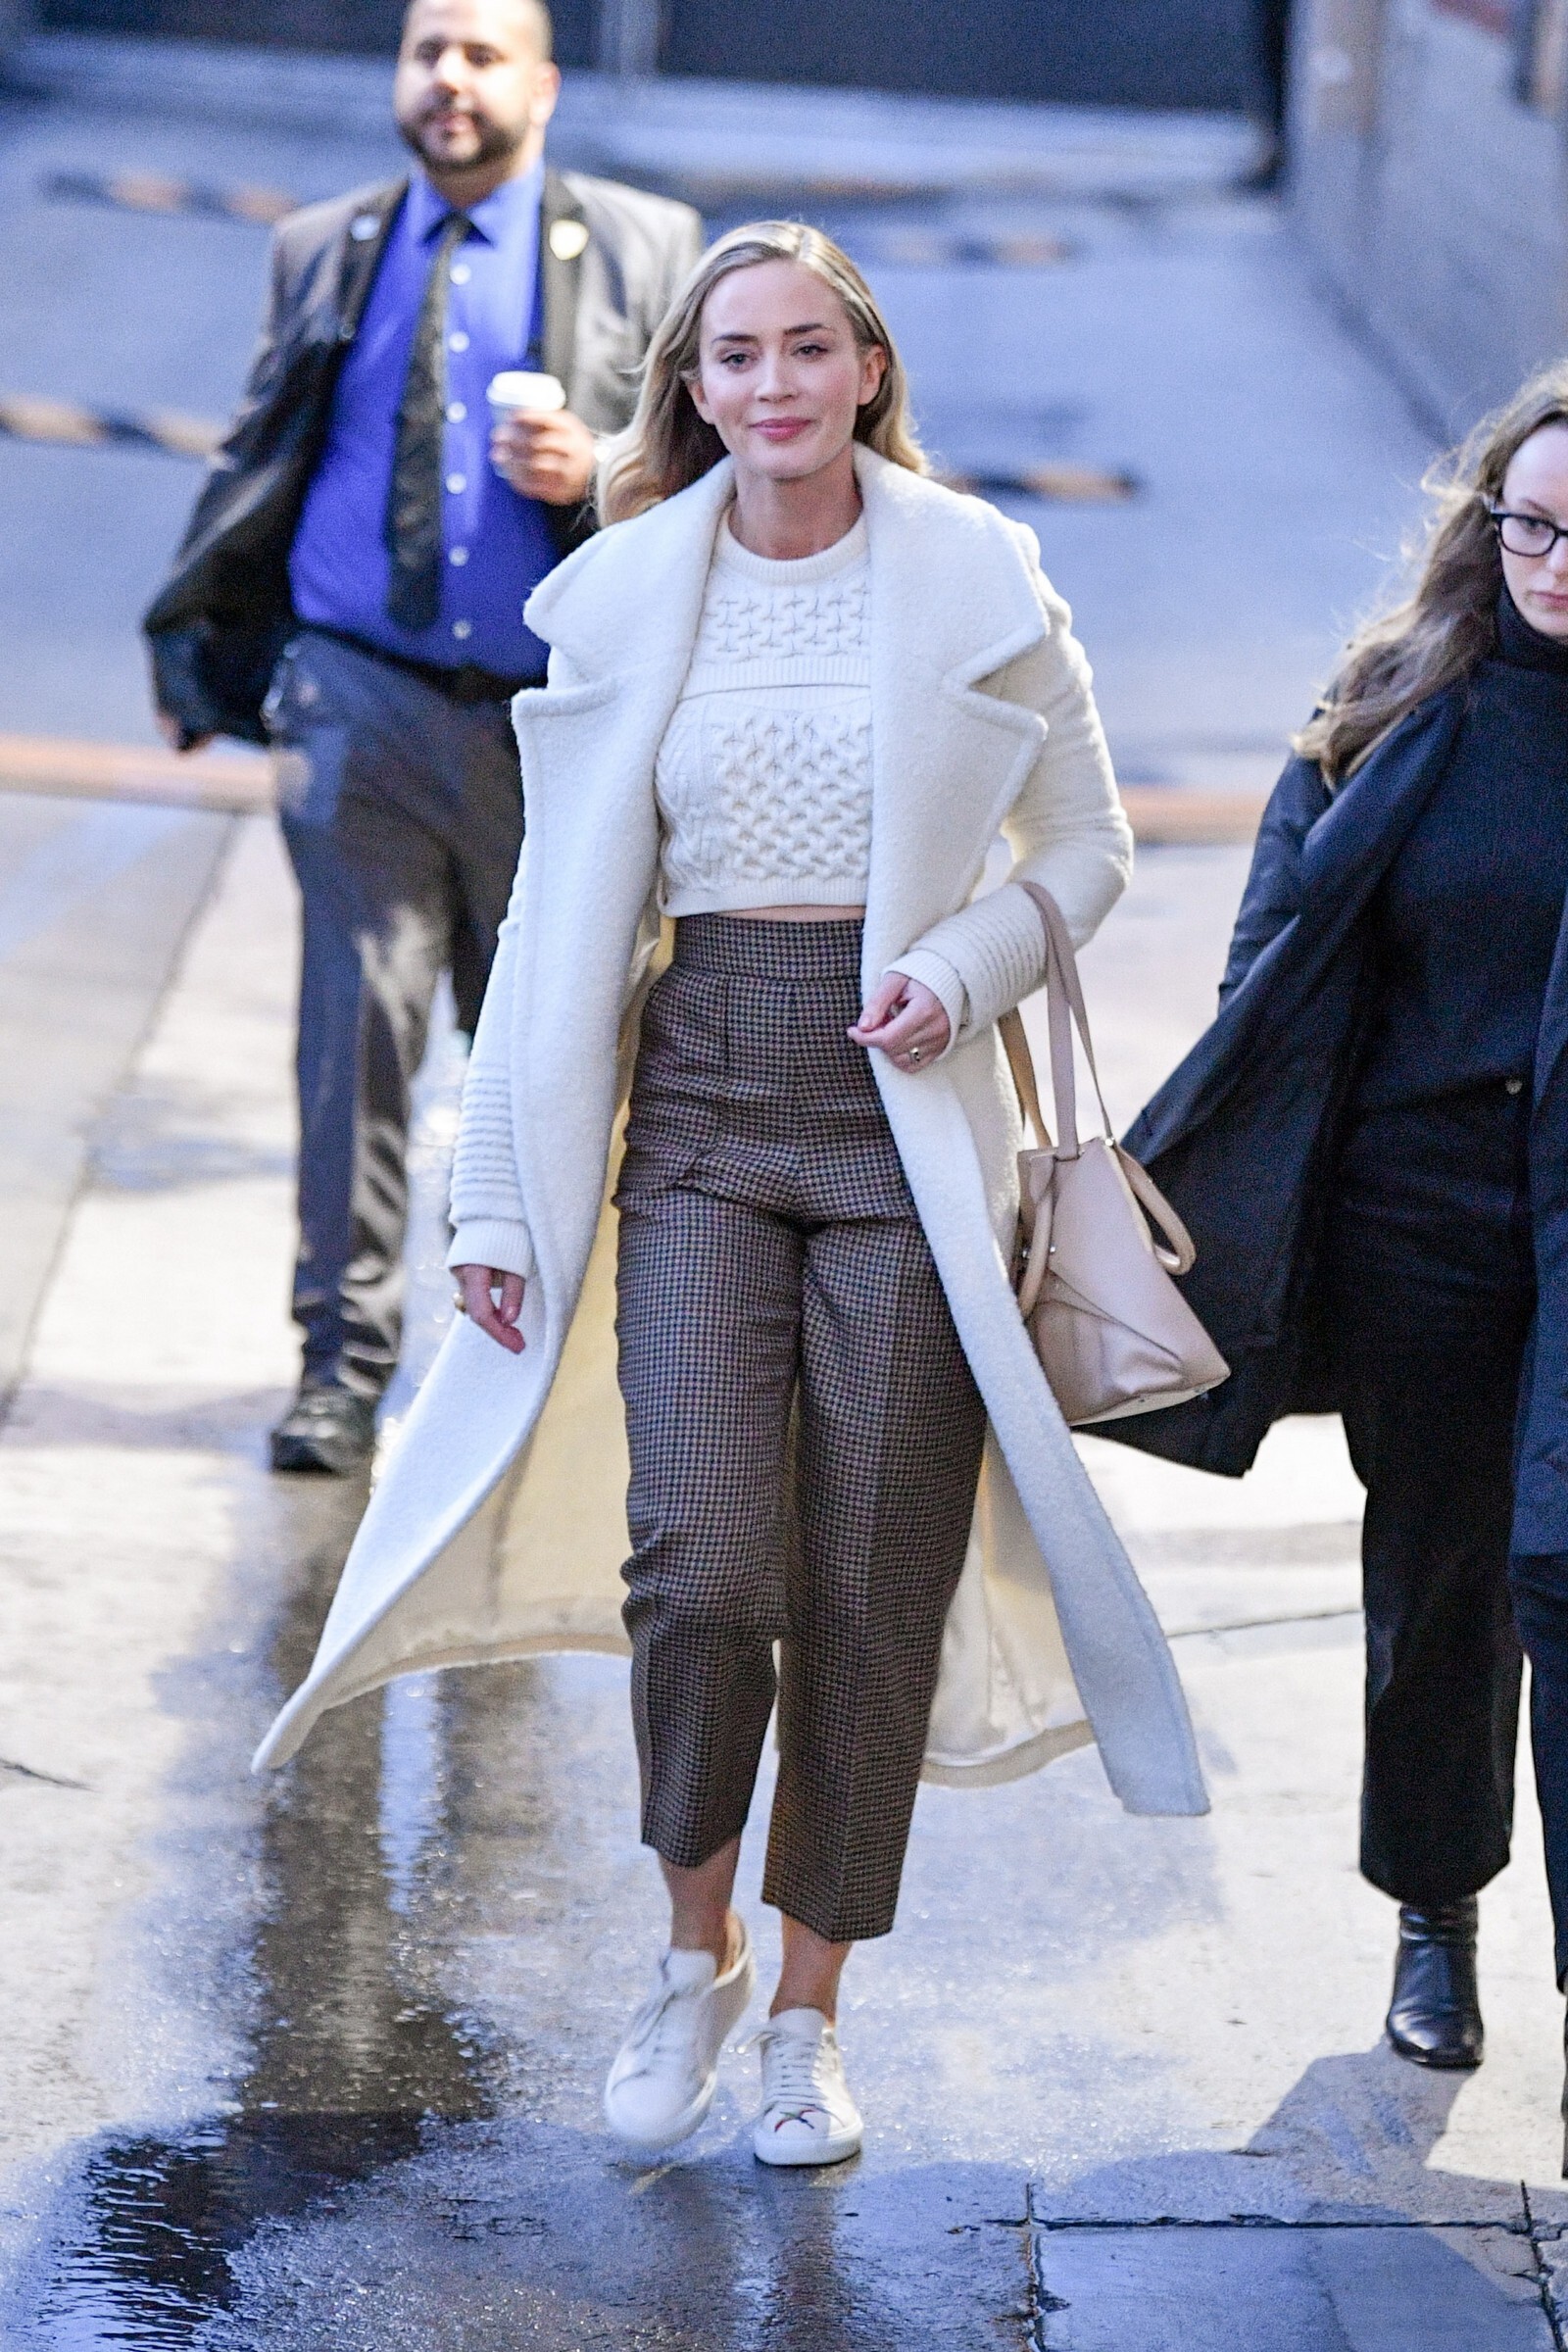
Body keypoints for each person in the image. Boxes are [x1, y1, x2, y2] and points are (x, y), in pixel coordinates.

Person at [252, 221, 1207, 2163]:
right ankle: (688, 1957)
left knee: (871, 1582)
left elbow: (1087, 846)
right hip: (692, 1107)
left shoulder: (975, 570)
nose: (773, 386)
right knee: (698, 1567)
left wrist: (966, 965)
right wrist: (495, 1200)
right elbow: (553, 921)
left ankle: (806, 2017)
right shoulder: (623, 593)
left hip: (906, 1128)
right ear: (688, 387)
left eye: (807, 349)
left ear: (868, 367)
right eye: (736, 356)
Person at [142, 0, 703, 1474]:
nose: (449, 78)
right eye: (425, 52)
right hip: (360, 697)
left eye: (480, 55)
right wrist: (214, 646)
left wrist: (604, 466)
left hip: (556, 721)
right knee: (356, 1034)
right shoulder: (324, 244)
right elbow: (267, 449)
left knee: (550, 1054)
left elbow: (713, 468)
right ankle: (339, 1368)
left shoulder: (646, 246)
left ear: (544, 85)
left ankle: (530, 1380)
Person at [1102, 364, 1568, 2123]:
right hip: (1420, 1227)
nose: (1556, 563)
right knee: (1446, 1580)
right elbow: (1270, 968)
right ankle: (1434, 1914)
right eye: (1532, 525)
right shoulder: (1393, 709)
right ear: (1488, 523)